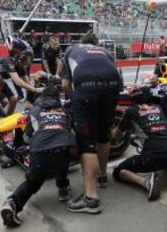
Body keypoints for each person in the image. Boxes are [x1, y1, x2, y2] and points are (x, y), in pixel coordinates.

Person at [62, 32, 120, 214]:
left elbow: (65, 84)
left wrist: (74, 101)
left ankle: (91, 198)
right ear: (96, 43)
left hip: (86, 88)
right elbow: (116, 75)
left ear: (82, 42)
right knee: (103, 135)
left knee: (86, 142)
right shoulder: (105, 51)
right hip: (112, 86)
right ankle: (102, 176)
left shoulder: (71, 50)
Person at [1, 86, 76, 227]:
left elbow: (27, 138)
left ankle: (12, 203)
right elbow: (69, 131)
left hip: (40, 154)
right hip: (62, 153)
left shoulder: (34, 111)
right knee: (63, 155)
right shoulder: (66, 112)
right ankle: (63, 189)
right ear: (58, 98)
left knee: (33, 182)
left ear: (42, 98)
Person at [111, 85, 167, 201]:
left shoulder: (130, 111)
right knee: (164, 157)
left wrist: (110, 131)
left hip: (152, 157)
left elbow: (117, 135)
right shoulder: (158, 107)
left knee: (118, 172)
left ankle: (146, 182)